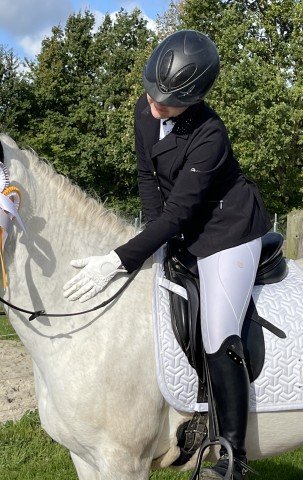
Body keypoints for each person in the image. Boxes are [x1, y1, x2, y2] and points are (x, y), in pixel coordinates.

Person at [63, 30, 271, 480]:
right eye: (152, 95)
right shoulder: (146, 107)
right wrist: (155, 241)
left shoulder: (210, 135)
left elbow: (179, 211)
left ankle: (233, 457)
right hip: (180, 226)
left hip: (226, 231)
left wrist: (119, 258)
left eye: (168, 102)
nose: (156, 106)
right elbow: (148, 178)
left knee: (217, 329)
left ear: (194, 99)